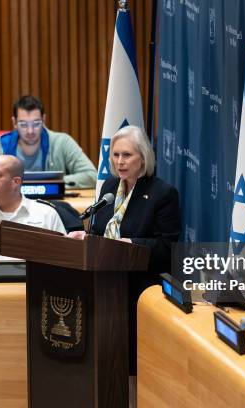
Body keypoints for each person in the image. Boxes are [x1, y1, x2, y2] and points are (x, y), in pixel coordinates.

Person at [68, 125, 181, 373]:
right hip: (104, 283)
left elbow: (168, 247)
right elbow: (102, 233)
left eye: (127, 155)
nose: (120, 161)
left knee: (130, 362)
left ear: (143, 157)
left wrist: (130, 244)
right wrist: (85, 236)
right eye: (116, 155)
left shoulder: (162, 193)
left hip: (139, 287)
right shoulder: (110, 187)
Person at [0, 95, 97, 190]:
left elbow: (91, 176)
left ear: (44, 120)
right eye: (23, 124)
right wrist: (3, 185)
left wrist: (51, 186)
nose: (30, 131)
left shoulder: (62, 142)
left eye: (36, 124)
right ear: (14, 123)